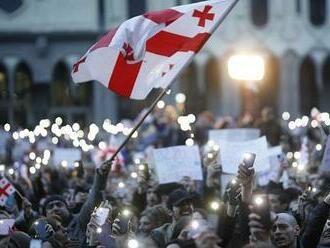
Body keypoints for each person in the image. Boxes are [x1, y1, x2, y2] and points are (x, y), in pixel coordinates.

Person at [42, 160, 111, 246]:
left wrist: (100, 176)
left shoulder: (79, 221)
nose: (55, 208)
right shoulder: (41, 230)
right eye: (50, 207)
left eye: (59, 205)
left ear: (68, 208)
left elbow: (92, 200)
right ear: (44, 214)